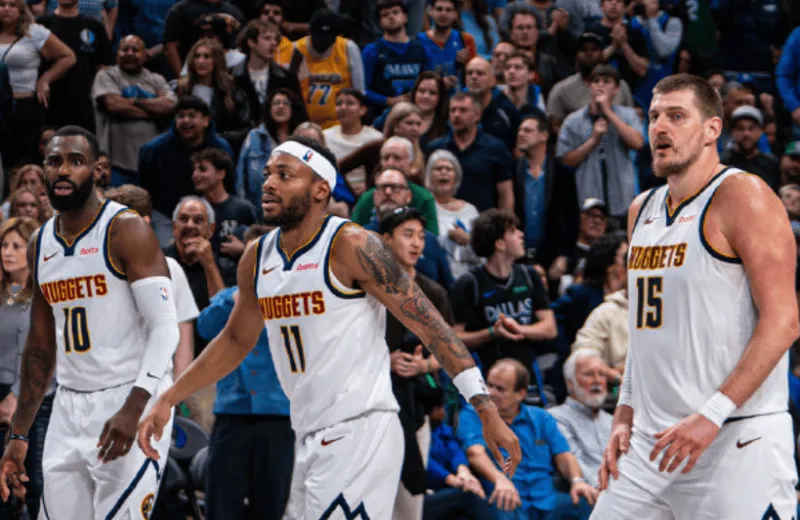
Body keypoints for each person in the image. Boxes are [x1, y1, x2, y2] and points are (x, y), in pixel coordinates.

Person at [137, 135, 521, 519]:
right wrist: (169, 397)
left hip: (360, 430)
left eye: (285, 175)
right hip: (304, 434)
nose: (268, 183)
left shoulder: (353, 245)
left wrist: (485, 409)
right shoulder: (258, 256)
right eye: (268, 173)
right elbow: (235, 339)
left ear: (320, 189)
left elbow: (433, 327)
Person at [592, 74, 799, 519]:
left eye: (676, 116)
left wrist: (712, 414)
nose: (659, 127)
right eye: (653, 117)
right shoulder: (641, 209)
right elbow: (644, 331)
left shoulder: (744, 195)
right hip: (651, 444)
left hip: (735, 439)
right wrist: (625, 410)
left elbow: (784, 322)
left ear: (712, 129)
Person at [0, 126, 180, 517]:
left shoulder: (125, 229)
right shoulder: (41, 242)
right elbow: (40, 346)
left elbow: (166, 327)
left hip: (128, 394)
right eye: (54, 161)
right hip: (68, 405)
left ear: (97, 170)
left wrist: (134, 407)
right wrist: (19, 432)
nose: (63, 170)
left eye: (76, 161)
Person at [195, 224, 293, 520]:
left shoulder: (292, 299)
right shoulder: (230, 297)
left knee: (270, 508)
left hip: (278, 417)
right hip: (231, 415)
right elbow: (205, 327)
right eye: (250, 257)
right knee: (221, 507)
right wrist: (235, 300)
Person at [457, 358, 597, 519]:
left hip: (547, 499)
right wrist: (500, 480)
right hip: (505, 497)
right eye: (488, 385)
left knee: (587, 502)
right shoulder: (474, 415)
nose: (491, 393)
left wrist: (577, 481)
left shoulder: (541, 417)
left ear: (520, 394)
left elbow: (564, 455)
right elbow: (475, 453)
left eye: (500, 389)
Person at [379, 207, 451, 520]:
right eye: (408, 235)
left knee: (410, 507)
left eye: (421, 236)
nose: (417, 243)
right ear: (386, 239)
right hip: (371, 407)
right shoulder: (366, 290)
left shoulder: (433, 292)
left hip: (415, 407)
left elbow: (449, 353)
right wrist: (386, 360)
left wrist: (423, 366)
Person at [450, 208, 557, 387]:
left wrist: (518, 329)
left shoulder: (529, 276)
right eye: (513, 231)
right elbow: (454, 338)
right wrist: (492, 333)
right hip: (486, 377)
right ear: (500, 244)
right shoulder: (469, 283)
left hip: (527, 374)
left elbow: (550, 328)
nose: (521, 235)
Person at [0, 217, 49, 519]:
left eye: (16, 246)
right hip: (2, 393)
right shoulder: (2, 294)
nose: (7, 252)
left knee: (36, 483)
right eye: (4, 245)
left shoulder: (44, 295)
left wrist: (16, 395)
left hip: (34, 398)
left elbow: (39, 353)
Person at [556, 65, 644, 219]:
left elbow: (638, 143)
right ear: (590, 87)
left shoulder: (628, 115)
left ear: (616, 89)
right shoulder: (573, 121)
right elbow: (566, 159)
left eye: (606, 81)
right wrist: (592, 141)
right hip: (589, 199)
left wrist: (608, 112)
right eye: (596, 81)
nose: (600, 85)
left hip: (623, 199)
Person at [0, 0, 75, 173]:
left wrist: (45, 79)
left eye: (12, 5)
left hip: (23, 106)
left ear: (21, 9)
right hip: (0, 106)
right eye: (2, 5)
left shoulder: (34, 32)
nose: (6, 9)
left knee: (22, 163)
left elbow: (68, 56)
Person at [92, 35, 177, 187]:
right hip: (116, 165)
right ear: (117, 53)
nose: (129, 53)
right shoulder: (107, 75)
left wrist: (135, 101)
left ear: (145, 54)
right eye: (125, 49)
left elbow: (170, 106)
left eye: (135, 50)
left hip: (151, 165)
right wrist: (155, 111)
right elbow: (114, 105)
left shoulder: (156, 79)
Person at [425, 92, 515, 212]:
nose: (457, 115)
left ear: (477, 115)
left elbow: (505, 194)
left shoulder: (495, 148)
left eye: (463, 110)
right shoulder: (435, 148)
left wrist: (505, 220)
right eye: (453, 110)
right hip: (442, 217)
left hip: (483, 219)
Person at [36, 0, 114, 131]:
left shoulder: (94, 26)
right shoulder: (41, 25)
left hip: (83, 101)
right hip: (47, 100)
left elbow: (104, 65)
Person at [549, 349, 612, 489]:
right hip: (591, 494)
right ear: (570, 383)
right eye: (588, 374)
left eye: (602, 374)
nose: (597, 380)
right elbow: (574, 464)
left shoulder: (613, 421)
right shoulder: (555, 418)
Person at [293, 9, 365, 129]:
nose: (323, 43)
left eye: (328, 39)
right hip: (303, 126)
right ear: (310, 32)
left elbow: (359, 92)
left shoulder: (348, 48)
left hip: (340, 126)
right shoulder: (295, 49)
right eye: (319, 38)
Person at [362, 0, 431, 116]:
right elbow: (363, 90)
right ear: (380, 22)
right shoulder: (372, 51)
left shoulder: (422, 48)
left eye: (395, 12)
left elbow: (430, 82)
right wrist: (388, 101)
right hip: (382, 114)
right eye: (385, 15)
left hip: (418, 112)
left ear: (405, 17)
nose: (391, 17)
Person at [232, 19, 302, 123]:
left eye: (276, 39)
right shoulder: (232, 77)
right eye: (267, 38)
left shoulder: (286, 78)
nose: (273, 43)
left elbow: (299, 115)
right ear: (251, 42)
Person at [425, 149, 480, 279]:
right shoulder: (425, 206)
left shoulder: (471, 210)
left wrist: (467, 240)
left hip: (469, 278)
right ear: (429, 176)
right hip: (436, 278)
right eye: (438, 169)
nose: (443, 172)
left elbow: (483, 252)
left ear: (456, 177)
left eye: (449, 169)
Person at [719, 105, 780, 192]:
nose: (746, 133)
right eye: (740, 128)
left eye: (751, 128)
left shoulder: (771, 164)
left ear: (761, 131)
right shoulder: (722, 163)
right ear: (732, 132)